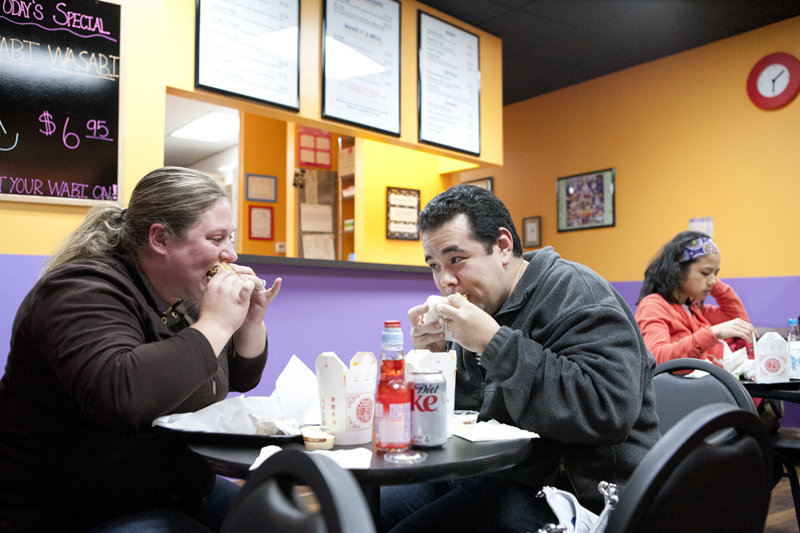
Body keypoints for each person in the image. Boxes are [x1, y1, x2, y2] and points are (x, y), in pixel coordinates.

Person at [0, 167, 282, 533]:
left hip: (171, 490)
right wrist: (215, 325)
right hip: (70, 508)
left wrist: (248, 323)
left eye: (229, 237)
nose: (229, 253)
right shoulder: (79, 289)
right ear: (160, 238)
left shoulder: (183, 299)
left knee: (279, 521)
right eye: (215, 238)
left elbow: (240, 378)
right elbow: (121, 395)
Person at [382, 184, 660, 533]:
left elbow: (609, 412)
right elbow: (469, 420)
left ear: (502, 246)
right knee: (367, 513)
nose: (446, 281)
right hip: (491, 474)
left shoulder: (577, 294)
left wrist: (492, 343)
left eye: (457, 260)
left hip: (579, 493)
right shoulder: (479, 308)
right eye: (435, 265)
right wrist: (435, 364)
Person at [635, 231, 758, 366]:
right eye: (705, 272)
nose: (713, 281)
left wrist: (714, 283)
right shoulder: (653, 305)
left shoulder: (695, 309)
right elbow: (656, 358)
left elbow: (739, 323)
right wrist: (712, 333)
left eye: (716, 274)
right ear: (678, 270)